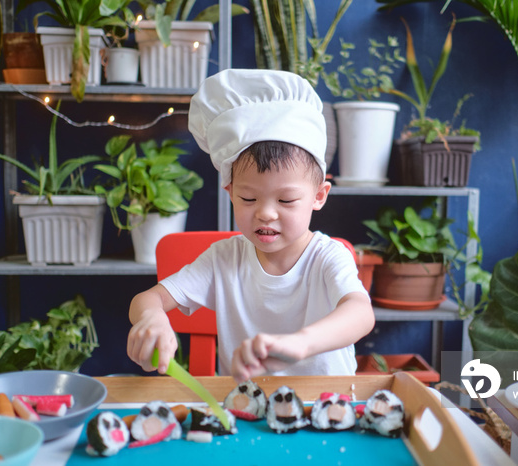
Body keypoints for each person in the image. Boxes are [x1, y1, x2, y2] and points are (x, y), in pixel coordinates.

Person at [126, 69, 375, 383]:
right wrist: (152, 319)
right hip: (246, 409)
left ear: (318, 196)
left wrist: (301, 343)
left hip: (325, 404)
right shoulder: (223, 259)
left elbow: (361, 313)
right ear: (230, 193)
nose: (266, 214)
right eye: (248, 198)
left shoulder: (327, 256)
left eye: (286, 201)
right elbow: (146, 299)